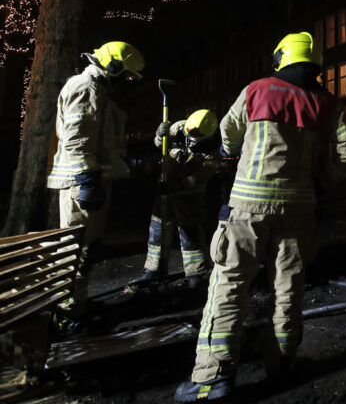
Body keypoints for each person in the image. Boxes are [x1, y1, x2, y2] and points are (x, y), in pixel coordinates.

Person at [175, 31, 346, 402]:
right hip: (300, 208)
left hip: (247, 207)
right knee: (289, 287)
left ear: (281, 57)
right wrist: (323, 184)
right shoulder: (328, 103)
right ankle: (283, 364)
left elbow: (227, 134)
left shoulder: (258, 90)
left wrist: (233, 152)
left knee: (228, 286)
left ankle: (213, 379)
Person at [46, 41, 144, 316]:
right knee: (76, 248)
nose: (127, 83)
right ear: (112, 66)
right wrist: (87, 179)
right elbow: (78, 139)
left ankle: (76, 302)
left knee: (87, 247)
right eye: (125, 75)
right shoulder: (85, 87)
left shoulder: (97, 90)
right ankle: (67, 310)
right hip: (83, 182)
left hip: (91, 179)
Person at [131, 109, 220, 289]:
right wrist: (160, 134)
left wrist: (178, 186)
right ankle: (153, 269)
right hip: (164, 186)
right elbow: (159, 144)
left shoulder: (212, 150)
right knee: (157, 231)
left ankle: (197, 271)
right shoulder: (179, 128)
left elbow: (199, 178)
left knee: (190, 233)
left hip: (188, 195)